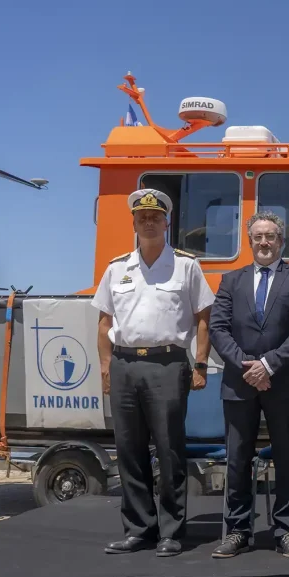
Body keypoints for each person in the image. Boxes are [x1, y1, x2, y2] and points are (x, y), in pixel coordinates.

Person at [93, 188, 215, 557]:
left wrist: (201, 363)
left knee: (169, 451)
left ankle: (171, 531)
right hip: (125, 364)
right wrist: (105, 367)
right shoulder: (116, 268)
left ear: (167, 222)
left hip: (168, 363)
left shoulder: (186, 265)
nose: (148, 222)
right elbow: (103, 324)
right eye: (142, 217)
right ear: (134, 222)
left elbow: (203, 320)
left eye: (155, 217)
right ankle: (138, 529)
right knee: (129, 452)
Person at [209, 211, 289, 559]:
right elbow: (218, 328)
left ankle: (286, 530)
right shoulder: (230, 281)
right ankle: (238, 530)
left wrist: (269, 364)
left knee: (286, 458)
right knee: (238, 459)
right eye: (258, 236)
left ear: (281, 241)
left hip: (281, 381)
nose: (265, 242)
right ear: (250, 240)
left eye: (271, 236)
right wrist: (247, 366)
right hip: (239, 383)